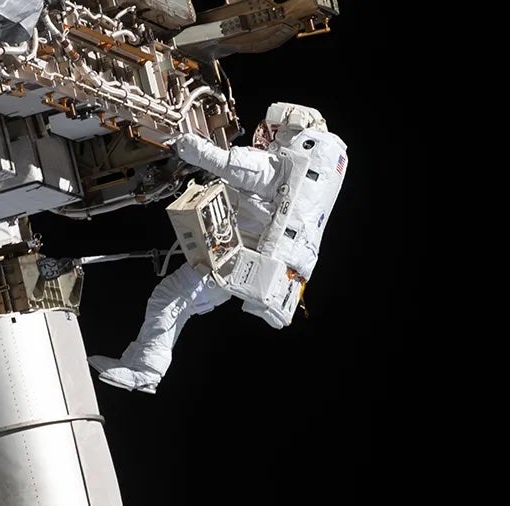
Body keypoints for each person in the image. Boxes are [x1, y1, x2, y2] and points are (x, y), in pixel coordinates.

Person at [87, 102, 349, 394]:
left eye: (275, 131)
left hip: (233, 260)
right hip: (243, 264)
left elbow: (223, 162)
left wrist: (180, 141)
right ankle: (137, 363)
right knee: (176, 304)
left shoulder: (274, 167)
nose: (269, 136)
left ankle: (146, 372)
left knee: (169, 299)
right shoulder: (298, 177)